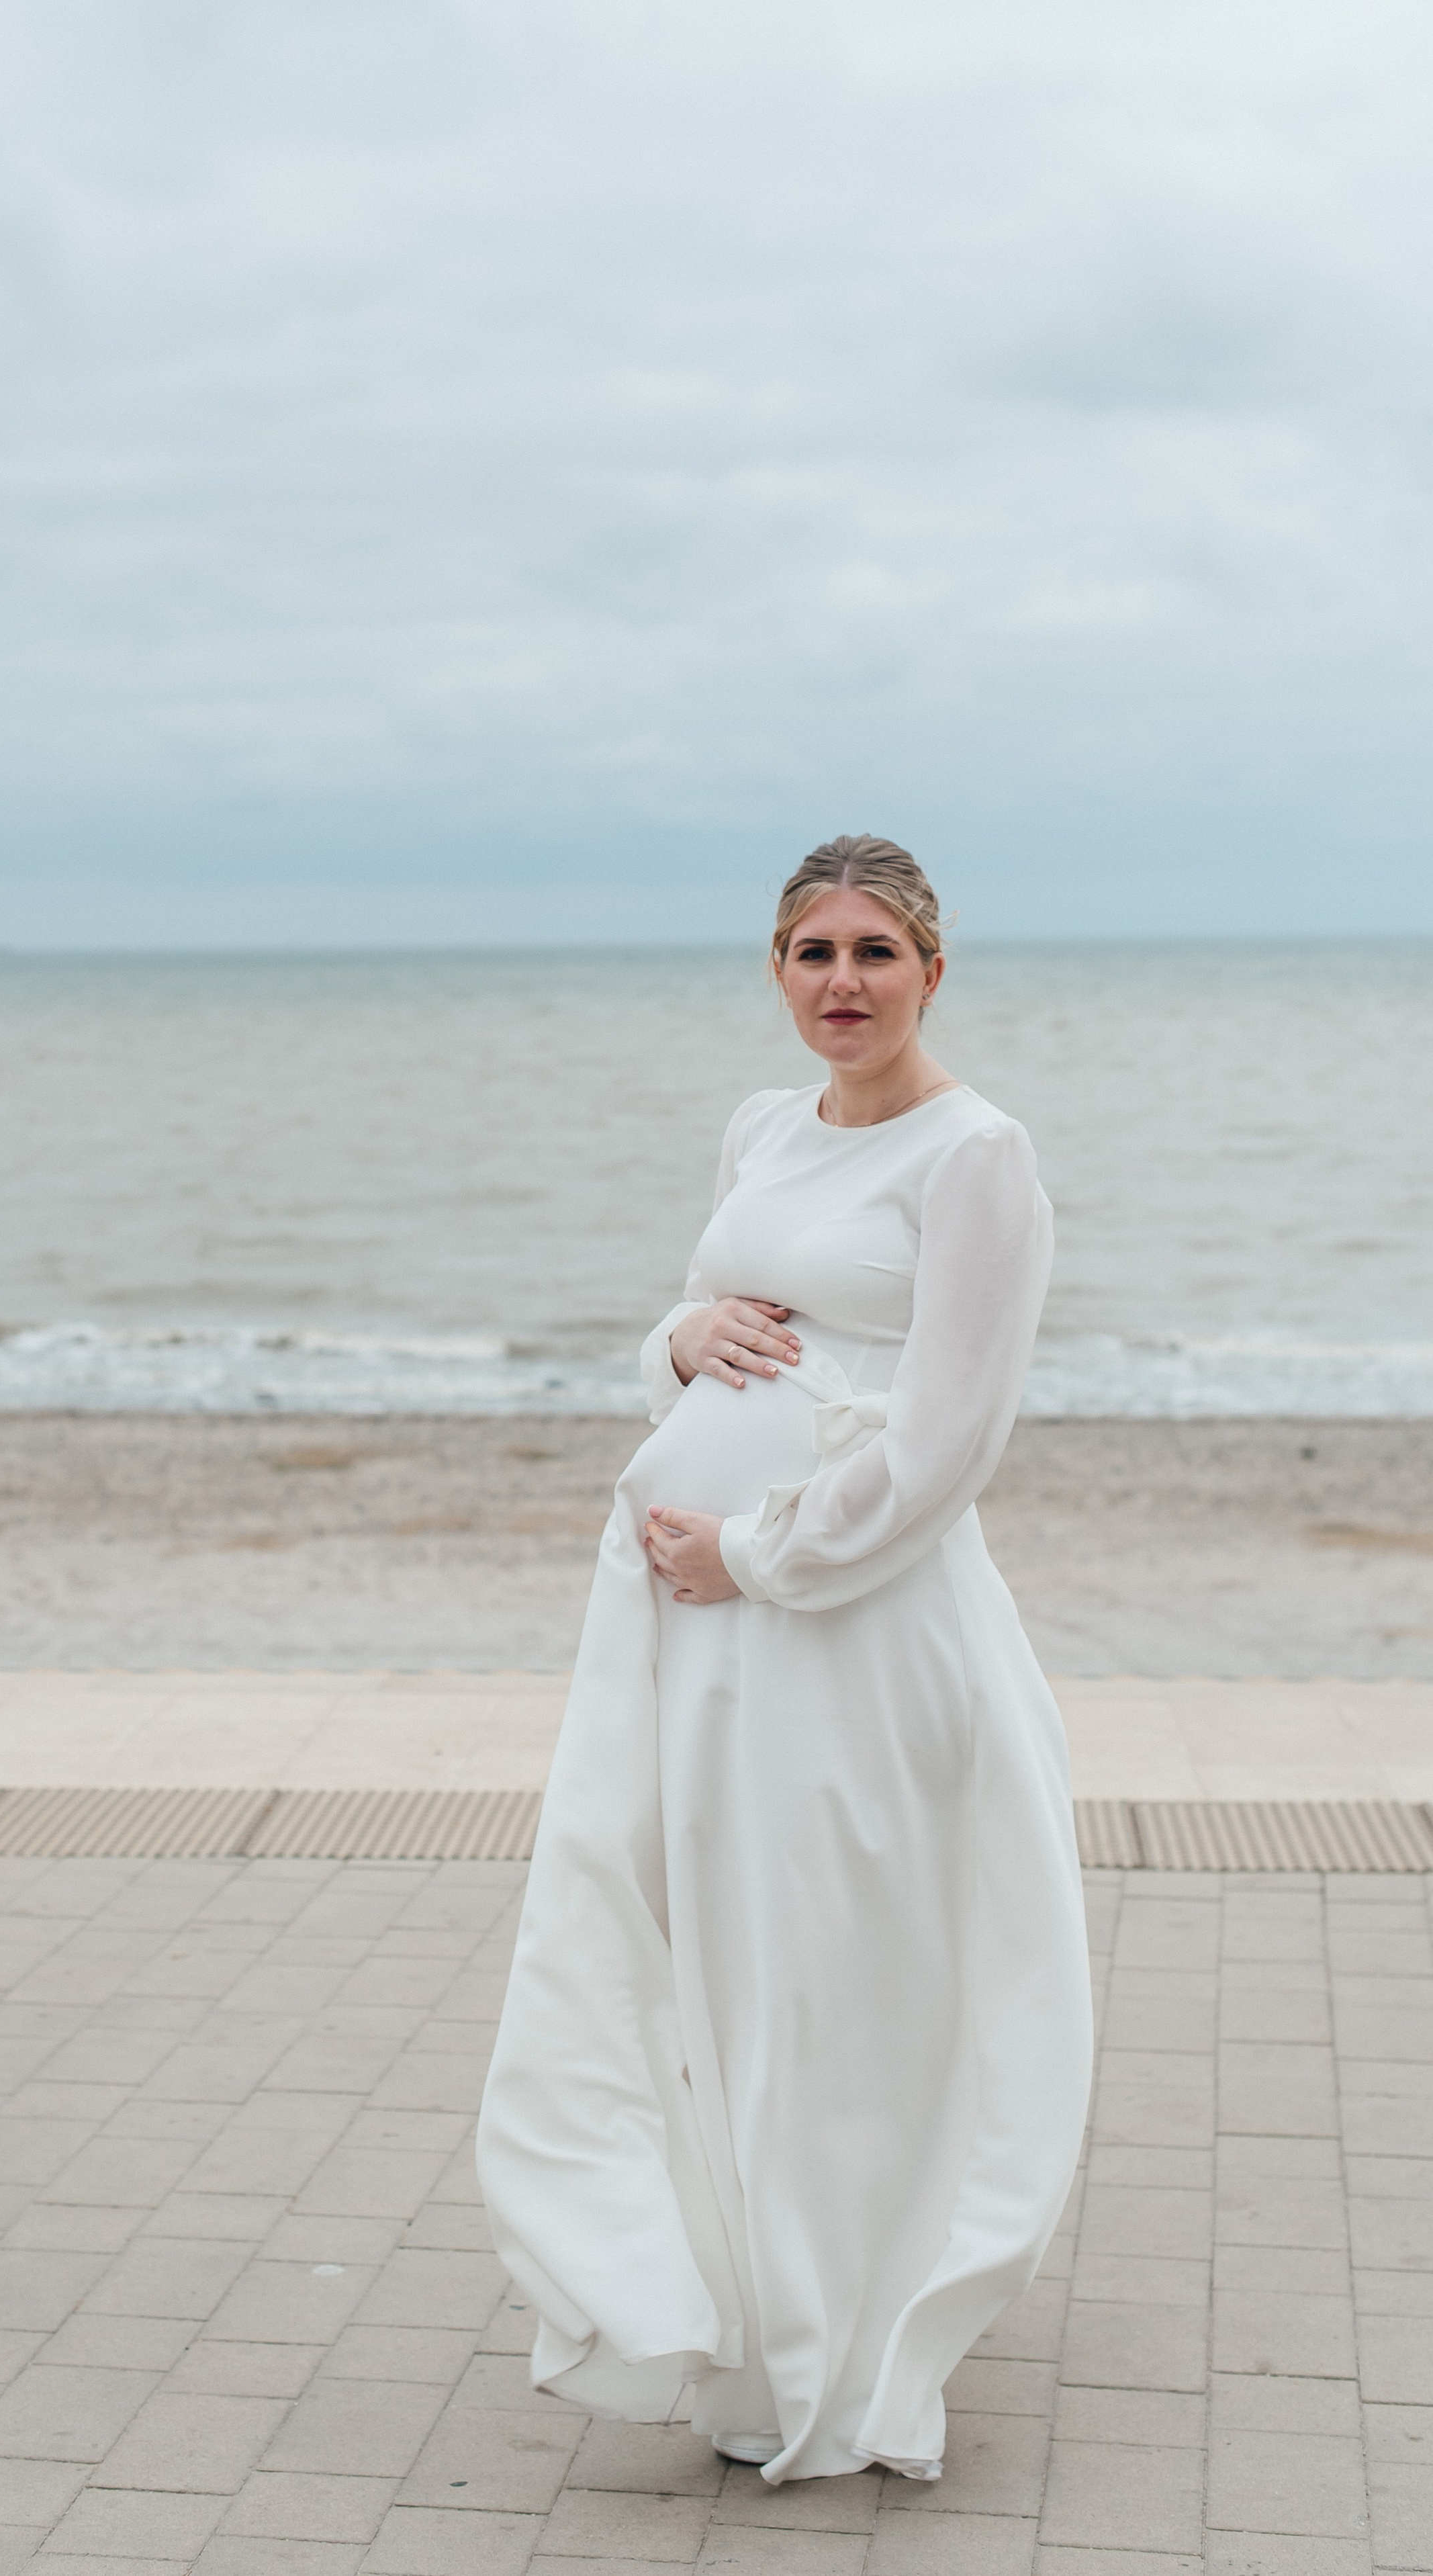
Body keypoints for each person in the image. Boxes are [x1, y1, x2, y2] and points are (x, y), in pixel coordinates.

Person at [475, 834, 1093, 2485]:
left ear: (930, 973)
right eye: (810, 952)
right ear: (774, 968)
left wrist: (748, 1554)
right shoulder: (761, 1127)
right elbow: (704, 1315)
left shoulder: (979, 1160)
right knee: (730, 1961)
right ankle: (750, 2324)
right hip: (702, 1645)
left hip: (857, 1632)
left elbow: (953, 1435)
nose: (840, 983)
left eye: (872, 954)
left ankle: (851, 2350)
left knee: (848, 1972)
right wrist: (670, 1342)